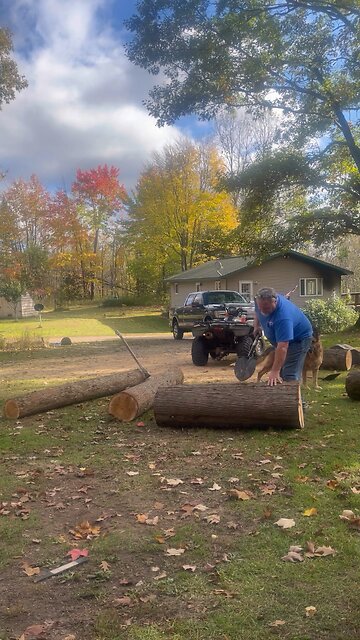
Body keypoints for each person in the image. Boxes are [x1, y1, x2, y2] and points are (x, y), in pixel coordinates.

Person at [254, 287, 313, 386]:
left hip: (299, 339)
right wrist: (257, 326)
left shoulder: (283, 317)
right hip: (282, 341)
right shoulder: (260, 301)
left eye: (266, 308)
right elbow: (257, 311)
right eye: (261, 308)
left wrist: (274, 371)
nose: (263, 311)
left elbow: (283, 347)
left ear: (275, 302)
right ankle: (280, 400)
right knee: (281, 373)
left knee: (289, 374)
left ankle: (294, 400)